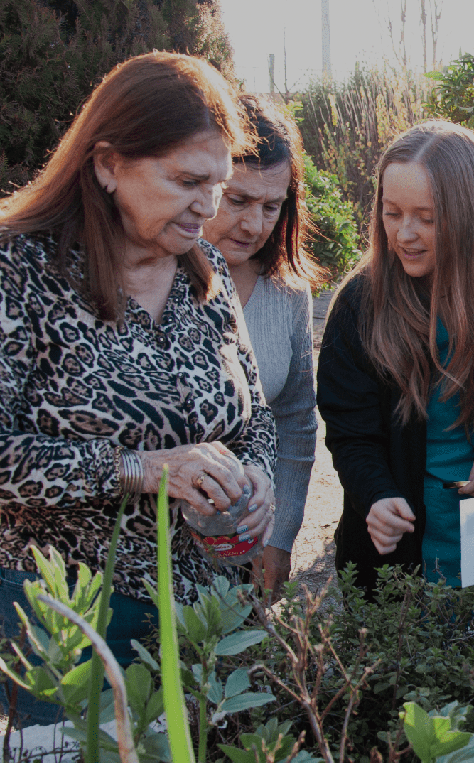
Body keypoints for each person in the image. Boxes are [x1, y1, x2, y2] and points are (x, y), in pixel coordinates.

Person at [0, 52, 277, 726]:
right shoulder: (19, 269)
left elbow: (257, 417)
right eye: (187, 180)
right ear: (106, 164)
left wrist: (259, 476)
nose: (208, 207)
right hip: (68, 615)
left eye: (218, 182)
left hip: (207, 611)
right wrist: (141, 470)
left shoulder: (203, 269)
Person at [317, 120, 474, 591]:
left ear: (468, 213)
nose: (405, 234)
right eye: (391, 213)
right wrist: (376, 496)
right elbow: (350, 430)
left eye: (427, 217)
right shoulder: (361, 302)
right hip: (398, 552)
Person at [203, 95, 328, 600]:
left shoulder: (287, 292)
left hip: (249, 544)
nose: (254, 225)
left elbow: (296, 422)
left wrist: (279, 537)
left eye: (271, 207)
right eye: (237, 200)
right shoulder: (153, 280)